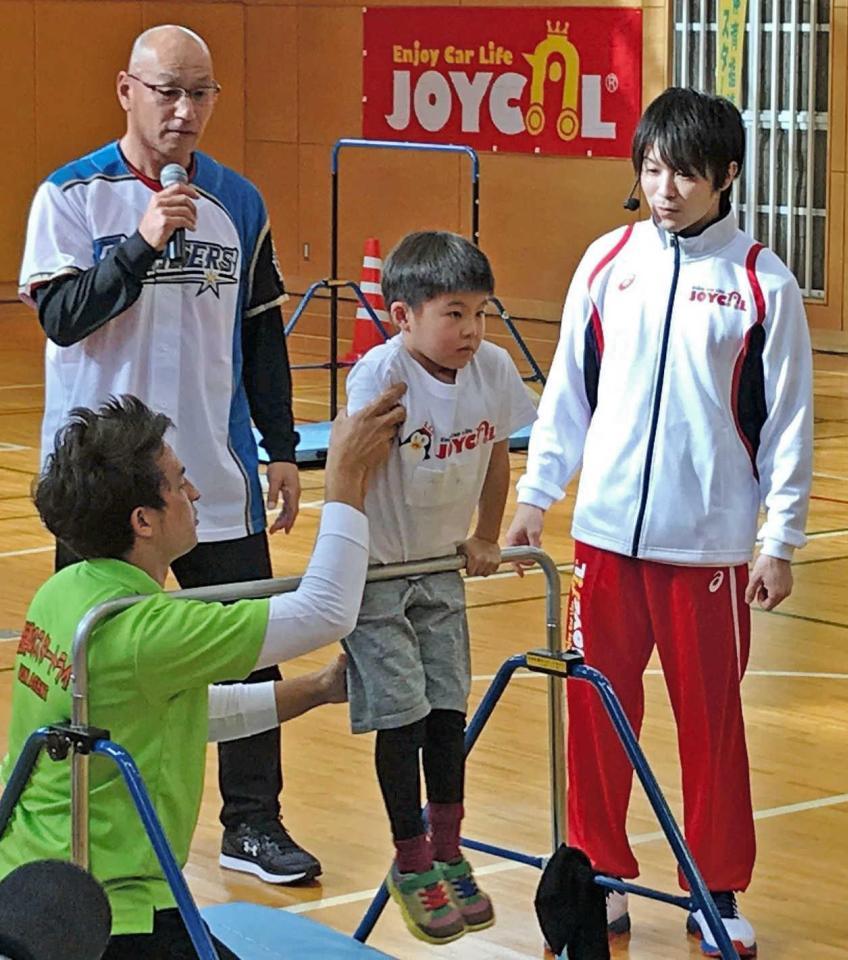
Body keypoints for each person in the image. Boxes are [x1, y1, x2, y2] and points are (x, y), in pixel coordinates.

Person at [506, 87, 813, 958]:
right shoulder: (606, 263)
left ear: (725, 175)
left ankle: (713, 891)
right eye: (650, 169)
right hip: (602, 542)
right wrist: (537, 497)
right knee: (597, 715)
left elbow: (787, 424)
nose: (664, 188)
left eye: (682, 171)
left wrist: (777, 539)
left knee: (709, 727)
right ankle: (600, 875)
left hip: (708, 549)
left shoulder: (761, 282)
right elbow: (566, 394)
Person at [18, 25, 315, 883]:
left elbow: (261, 339)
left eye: (200, 94)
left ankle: (253, 826)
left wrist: (283, 449)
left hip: (212, 482)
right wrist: (144, 242)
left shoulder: (240, 203)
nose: (184, 111)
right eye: (166, 91)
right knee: (96, 657)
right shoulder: (70, 196)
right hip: (106, 488)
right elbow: (63, 317)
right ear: (126, 90)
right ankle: (81, 816)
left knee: (249, 648)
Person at [0, 388, 405, 960]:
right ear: (144, 519)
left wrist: (315, 690)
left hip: (31, 880)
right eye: (178, 481)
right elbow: (326, 610)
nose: (192, 491)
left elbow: (179, 718)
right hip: (113, 910)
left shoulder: (64, 592)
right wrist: (345, 476)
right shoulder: (147, 630)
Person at [342, 232, 537, 945]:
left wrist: (487, 536)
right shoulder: (379, 377)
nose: (471, 331)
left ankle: (449, 847)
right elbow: (350, 474)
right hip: (378, 573)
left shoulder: (490, 369)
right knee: (401, 713)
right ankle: (410, 856)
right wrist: (344, 569)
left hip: (437, 569)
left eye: (481, 314)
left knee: (446, 709)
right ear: (403, 315)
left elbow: (494, 457)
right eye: (453, 314)